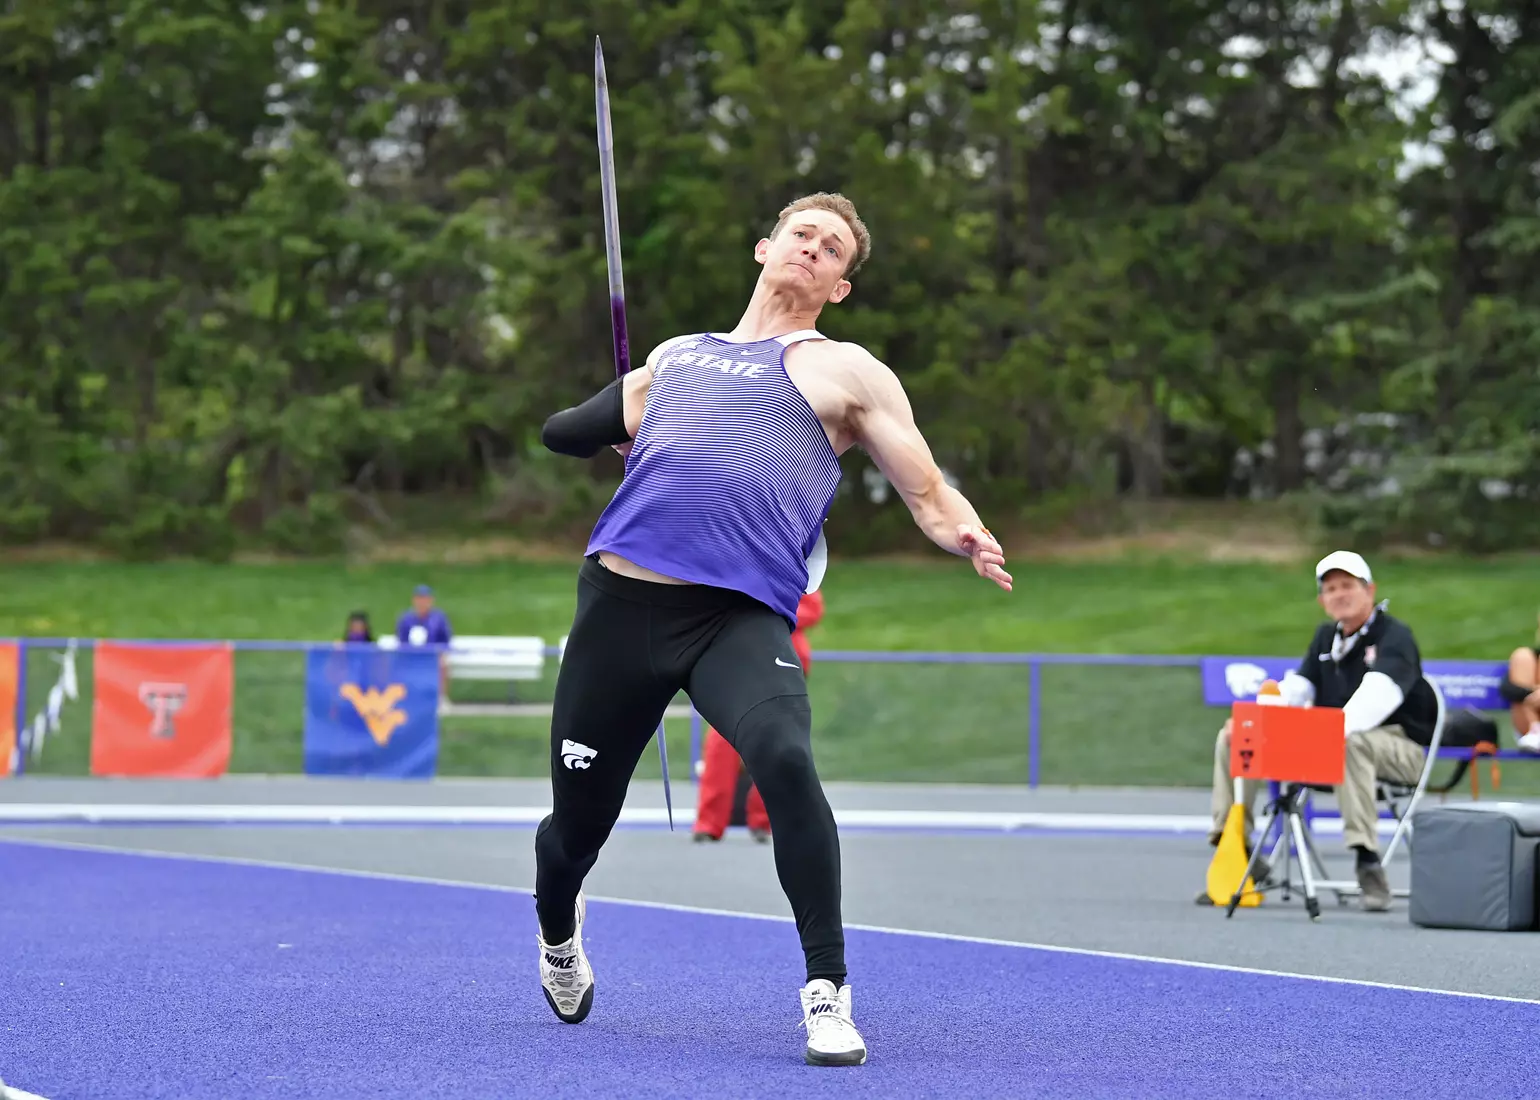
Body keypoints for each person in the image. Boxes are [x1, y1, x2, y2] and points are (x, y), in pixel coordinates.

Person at [533, 192, 1011, 1066]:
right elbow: (561, 433)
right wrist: (626, 415)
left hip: (737, 618)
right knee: (574, 832)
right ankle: (559, 935)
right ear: (766, 248)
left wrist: (965, 532)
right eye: (804, 235)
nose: (815, 250)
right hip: (621, 611)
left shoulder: (850, 373)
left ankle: (827, 992)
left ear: (840, 287)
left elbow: (929, 489)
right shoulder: (678, 358)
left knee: (786, 759)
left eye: (833, 250)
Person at [1201, 550, 1437, 913]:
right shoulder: (1325, 637)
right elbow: (1299, 689)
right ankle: (1235, 847)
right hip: (1331, 744)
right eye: (1330, 588)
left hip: (1400, 750)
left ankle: (1367, 861)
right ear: (1322, 600)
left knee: (1352, 742)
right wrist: (1260, 719)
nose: (1339, 594)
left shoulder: (1394, 636)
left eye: (1347, 585)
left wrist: (1319, 735)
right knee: (1234, 736)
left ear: (1369, 590)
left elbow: (1375, 700)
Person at [693, 590, 825, 844]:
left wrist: (766, 614)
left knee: (775, 744)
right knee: (722, 743)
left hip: (782, 661)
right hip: (736, 658)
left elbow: (812, 610)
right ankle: (709, 823)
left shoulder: (794, 560)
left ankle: (765, 822)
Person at [396, 584, 452, 697]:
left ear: (431, 600)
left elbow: (445, 639)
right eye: (419, 599)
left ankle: (441, 697)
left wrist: (437, 652)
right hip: (411, 655)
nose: (422, 602)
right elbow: (402, 640)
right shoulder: (406, 619)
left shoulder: (438, 619)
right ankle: (405, 694)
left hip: (432, 655)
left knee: (443, 663)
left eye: (425, 599)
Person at [1499, 611, 1540, 753]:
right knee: (1522, 657)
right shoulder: (1530, 658)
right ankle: (1535, 730)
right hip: (1528, 725)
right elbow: (1508, 689)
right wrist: (1534, 694)